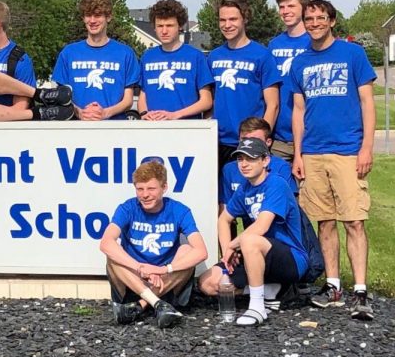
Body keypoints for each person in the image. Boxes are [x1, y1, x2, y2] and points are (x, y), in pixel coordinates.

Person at [290, 0, 376, 320]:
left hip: (347, 149)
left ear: (332, 21)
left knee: (354, 220)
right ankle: (333, 285)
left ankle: (361, 291)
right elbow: (298, 111)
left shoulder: (352, 54)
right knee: (324, 221)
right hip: (313, 152)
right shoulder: (299, 63)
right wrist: (298, 153)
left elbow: (367, 102)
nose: (314, 23)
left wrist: (366, 147)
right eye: (309, 18)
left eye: (320, 18)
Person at [198, 137, 309, 326]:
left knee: (249, 238)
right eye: (240, 159)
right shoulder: (245, 189)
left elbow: (262, 226)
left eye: (250, 159)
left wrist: (234, 245)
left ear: (265, 161)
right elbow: (224, 219)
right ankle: (269, 289)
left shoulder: (277, 184)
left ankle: (257, 307)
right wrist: (227, 251)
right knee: (207, 283)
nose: (244, 164)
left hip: (291, 257)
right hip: (255, 253)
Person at [100, 160, 208, 328]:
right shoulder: (127, 208)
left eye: (151, 189)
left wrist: (163, 270)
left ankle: (140, 306)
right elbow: (106, 243)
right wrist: (139, 268)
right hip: (134, 280)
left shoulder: (179, 210)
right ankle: (157, 304)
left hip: (166, 282)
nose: (145, 195)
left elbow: (201, 251)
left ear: (164, 188)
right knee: (113, 254)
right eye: (140, 189)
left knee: (187, 249)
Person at [208, 0, 280, 170]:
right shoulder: (213, 56)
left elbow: (273, 105)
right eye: (222, 20)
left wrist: (259, 141)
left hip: (249, 142)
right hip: (218, 141)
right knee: (220, 196)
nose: (227, 25)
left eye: (233, 19)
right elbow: (210, 102)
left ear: (245, 19)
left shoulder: (262, 55)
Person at [51, 0, 140, 120]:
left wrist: (104, 113)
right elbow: (61, 97)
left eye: (97, 15)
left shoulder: (125, 53)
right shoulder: (68, 53)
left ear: (108, 17)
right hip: (77, 129)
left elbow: (128, 101)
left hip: (114, 129)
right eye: (88, 15)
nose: (92, 20)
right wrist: (80, 113)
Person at [138, 0, 213, 120]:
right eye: (160, 26)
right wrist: (144, 114)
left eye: (169, 25)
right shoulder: (147, 57)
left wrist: (175, 115)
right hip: (154, 128)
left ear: (180, 26)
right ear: (154, 27)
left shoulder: (195, 56)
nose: (164, 31)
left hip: (187, 129)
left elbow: (206, 100)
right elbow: (143, 95)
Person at [268, 0, 312, 161]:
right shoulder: (274, 45)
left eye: (291, 6)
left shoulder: (314, 41)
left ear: (304, 7)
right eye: (282, 7)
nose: (285, 11)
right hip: (280, 138)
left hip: (311, 136)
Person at [219, 117, 297, 210]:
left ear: (268, 142)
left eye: (255, 141)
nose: (249, 145)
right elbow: (224, 209)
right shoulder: (229, 170)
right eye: (244, 140)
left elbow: (287, 205)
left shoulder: (280, 167)